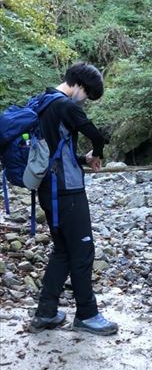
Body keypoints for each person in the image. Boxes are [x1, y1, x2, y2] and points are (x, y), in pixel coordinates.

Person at [29, 63, 118, 336]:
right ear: (79, 85)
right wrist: (98, 152)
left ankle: (46, 313)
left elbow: (54, 150)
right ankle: (87, 315)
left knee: (63, 250)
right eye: (87, 95)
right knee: (82, 251)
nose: (85, 100)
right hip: (67, 192)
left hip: (48, 189)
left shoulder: (43, 101)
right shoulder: (65, 105)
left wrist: (82, 159)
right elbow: (97, 135)